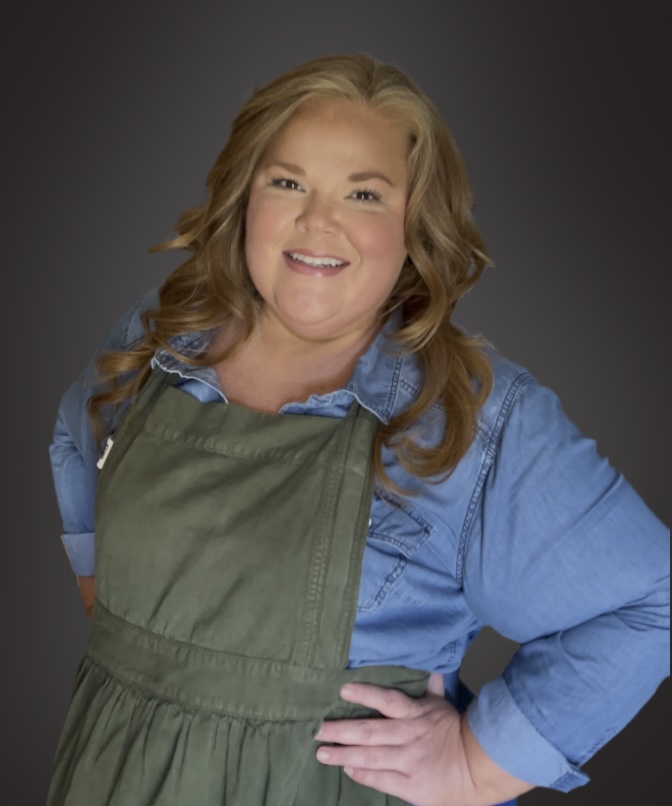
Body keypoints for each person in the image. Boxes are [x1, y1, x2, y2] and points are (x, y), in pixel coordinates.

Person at [47, 53, 669, 806]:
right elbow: (77, 434)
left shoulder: (468, 415)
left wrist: (478, 763)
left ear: (416, 223)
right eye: (288, 182)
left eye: (364, 193)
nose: (318, 221)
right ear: (245, 196)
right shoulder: (164, 334)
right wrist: (114, 597)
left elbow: (647, 600)